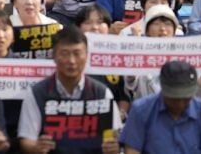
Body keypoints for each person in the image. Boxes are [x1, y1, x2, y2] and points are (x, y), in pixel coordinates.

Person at [17, 24, 122, 154]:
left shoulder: (102, 93)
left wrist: (114, 148)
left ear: (87, 56)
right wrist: (36, 148)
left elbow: (115, 137)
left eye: (77, 54)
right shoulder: (37, 93)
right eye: (65, 54)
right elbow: (27, 139)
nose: (71, 61)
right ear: (54, 56)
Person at [118, 60, 201, 154]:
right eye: (173, 98)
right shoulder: (141, 111)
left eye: (185, 98)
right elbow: (132, 149)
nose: (180, 103)